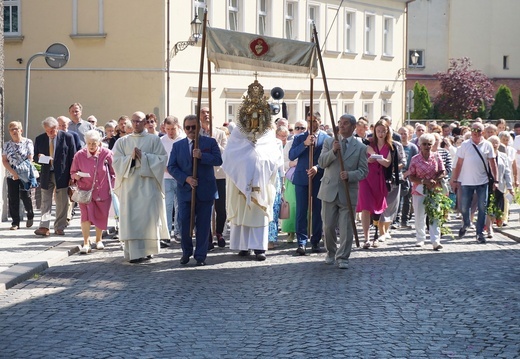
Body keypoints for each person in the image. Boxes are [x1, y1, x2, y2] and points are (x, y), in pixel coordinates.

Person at [222, 79, 283, 261]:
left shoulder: (267, 134)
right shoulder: (238, 132)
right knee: (242, 211)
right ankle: (242, 246)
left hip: (261, 181)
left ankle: (258, 247)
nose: (254, 118)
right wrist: (242, 163)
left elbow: (274, 155)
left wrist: (260, 159)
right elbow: (229, 154)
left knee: (258, 213)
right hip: (240, 180)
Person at [112, 111, 169, 263]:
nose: (136, 124)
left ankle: (148, 250)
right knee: (132, 219)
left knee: (148, 218)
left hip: (148, 185)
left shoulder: (154, 140)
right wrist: (130, 158)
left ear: (145, 122)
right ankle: (134, 253)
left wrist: (143, 157)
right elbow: (116, 162)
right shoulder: (122, 142)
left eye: (139, 121)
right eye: (134, 121)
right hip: (130, 186)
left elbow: (162, 159)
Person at [168, 115, 222, 266]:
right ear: (184, 129)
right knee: (184, 223)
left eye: (194, 127)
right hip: (185, 191)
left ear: (199, 127)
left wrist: (202, 156)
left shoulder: (209, 142)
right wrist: (186, 179)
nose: (191, 130)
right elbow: (172, 167)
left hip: (205, 191)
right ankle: (186, 252)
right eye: (188, 127)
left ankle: (200, 256)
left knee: (203, 226)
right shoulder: (178, 146)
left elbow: (218, 160)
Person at [318, 114, 368, 268]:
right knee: (328, 226)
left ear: (353, 127)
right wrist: (333, 151)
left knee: (346, 227)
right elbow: (321, 163)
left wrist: (350, 175)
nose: (342, 126)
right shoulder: (329, 142)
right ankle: (330, 252)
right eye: (340, 123)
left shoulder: (360, 147)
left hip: (348, 191)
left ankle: (343, 257)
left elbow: (363, 171)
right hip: (329, 189)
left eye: (346, 123)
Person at [450, 122, 498, 244]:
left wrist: (496, 180)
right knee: (464, 207)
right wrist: (455, 180)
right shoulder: (465, 145)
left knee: (483, 208)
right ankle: (466, 223)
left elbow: (493, 164)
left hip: (482, 182)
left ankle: (479, 233)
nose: (476, 133)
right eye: (473, 131)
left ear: (482, 132)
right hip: (466, 181)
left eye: (478, 131)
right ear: (471, 132)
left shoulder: (487, 145)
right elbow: (459, 163)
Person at [289, 111, 328, 255]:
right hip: (301, 177)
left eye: (315, 120)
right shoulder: (299, 138)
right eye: (309, 121)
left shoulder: (326, 138)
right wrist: (305, 144)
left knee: (317, 211)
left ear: (319, 121)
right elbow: (292, 155)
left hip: (318, 178)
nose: (312, 124)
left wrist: (317, 167)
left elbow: (328, 157)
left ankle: (316, 240)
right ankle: (301, 242)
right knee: (301, 211)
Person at [70, 130, 115, 254]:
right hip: (85, 191)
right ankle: (86, 242)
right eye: (89, 143)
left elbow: (113, 173)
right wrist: (77, 176)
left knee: (101, 214)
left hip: (102, 191)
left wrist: (113, 188)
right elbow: (73, 172)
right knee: (85, 216)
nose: (91, 146)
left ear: (99, 142)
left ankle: (99, 240)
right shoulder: (79, 155)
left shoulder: (107, 154)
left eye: (94, 143)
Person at [34, 117, 77, 236]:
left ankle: (59, 226)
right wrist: (40, 157)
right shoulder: (40, 139)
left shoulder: (67, 138)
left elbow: (72, 157)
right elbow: (35, 157)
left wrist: (71, 176)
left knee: (62, 201)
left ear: (57, 127)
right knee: (45, 201)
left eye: (52, 131)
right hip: (46, 174)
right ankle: (44, 226)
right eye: (47, 131)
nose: (50, 134)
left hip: (62, 175)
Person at [356, 120, 392, 248]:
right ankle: (366, 238)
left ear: (387, 131)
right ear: (374, 131)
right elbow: (360, 160)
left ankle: (376, 235)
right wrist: (369, 159)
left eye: (383, 131)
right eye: (378, 131)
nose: (381, 133)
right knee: (365, 207)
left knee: (377, 209)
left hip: (379, 179)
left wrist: (376, 157)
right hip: (366, 178)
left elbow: (388, 163)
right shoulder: (368, 143)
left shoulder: (389, 146)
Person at [408, 133, 446, 250]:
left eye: (429, 144)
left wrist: (435, 180)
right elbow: (411, 176)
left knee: (435, 214)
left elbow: (442, 171)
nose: (427, 146)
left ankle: (435, 240)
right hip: (419, 189)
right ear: (420, 145)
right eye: (424, 144)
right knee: (419, 215)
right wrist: (424, 181)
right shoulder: (415, 159)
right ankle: (420, 238)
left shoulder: (436, 156)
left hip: (434, 190)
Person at [200, 106, 228, 249]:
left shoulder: (220, 133)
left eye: (208, 112)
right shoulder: (198, 134)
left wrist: (214, 143)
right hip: (204, 174)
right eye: (203, 113)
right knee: (206, 208)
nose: (206, 115)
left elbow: (225, 153)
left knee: (221, 208)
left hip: (219, 175)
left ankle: (219, 232)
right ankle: (208, 237)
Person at [2, 121, 36, 230]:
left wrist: (21, 172)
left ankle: (30, 214)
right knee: (13, 198)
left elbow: (30, 157)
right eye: (11, 129)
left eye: (16, 128)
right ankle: (15, 222)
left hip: (24, 173)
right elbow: (4, 160)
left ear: (21, 130)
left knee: (25, 195)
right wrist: (13, 173)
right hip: (11, 174)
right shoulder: (6, 145)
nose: (14, 131)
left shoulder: (27, 142)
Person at [160, 116, 186, 241]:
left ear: (178, 127)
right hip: (166, 176)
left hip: (180, 177)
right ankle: (167, 232)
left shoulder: (184, 139)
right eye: (168, 129)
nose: (170, 132)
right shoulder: (162, 140)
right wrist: (165, 167)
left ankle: (179, 231)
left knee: (180, 205)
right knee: (167, 205)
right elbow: (159, 157)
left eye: (173, 129)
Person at [281, 120, 307, 242]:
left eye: (303, 128)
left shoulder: (310, 142)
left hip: (306, 176)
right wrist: (293, 163)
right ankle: (290, 232)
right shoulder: (290, 143)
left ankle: (305, 232)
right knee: (291, 206)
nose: (300, 130)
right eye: (297, 128)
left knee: (305, 207)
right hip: (292, 177)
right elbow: (283, 161)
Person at [485, 136, 514, 238]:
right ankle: (489, 229)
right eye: (492, 142)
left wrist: (510, 187)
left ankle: (492, 224)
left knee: (497, 206)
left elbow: (507, 172)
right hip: (486, 184)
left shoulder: (503, 156)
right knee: (488, 206)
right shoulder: (485, 155)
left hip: (500, 185)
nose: (494, 144)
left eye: (496, 142)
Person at [268, 126, 288, 249]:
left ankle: (271, 239)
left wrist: (283, 181)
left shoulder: (277, 143)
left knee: (274, 210)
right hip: (263, 179)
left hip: (275, 179)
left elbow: (280, 164)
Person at [398, 126, 418, 228]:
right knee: (396, 198)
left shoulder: (413, 147)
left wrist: (407, 173)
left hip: (409, 175)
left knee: (407, 198)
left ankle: (404, 220)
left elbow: (415, 163)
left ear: (409, 134)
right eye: (400, 133)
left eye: (405, 133)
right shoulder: (396, 146)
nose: (403, 136)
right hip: (397, 175)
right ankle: (396, 220)